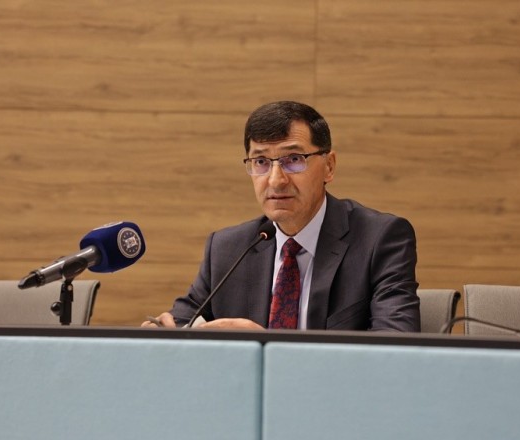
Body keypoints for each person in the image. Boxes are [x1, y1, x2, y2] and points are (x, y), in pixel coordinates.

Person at [142, 101, 419, 331]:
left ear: (329, 167)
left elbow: (394, 349)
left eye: (294, 160)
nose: (276, 180)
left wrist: (266, 349)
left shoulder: (379, 239)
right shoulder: (227, 249)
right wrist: (163, 334)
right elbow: (181, 322)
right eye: (261, 162)